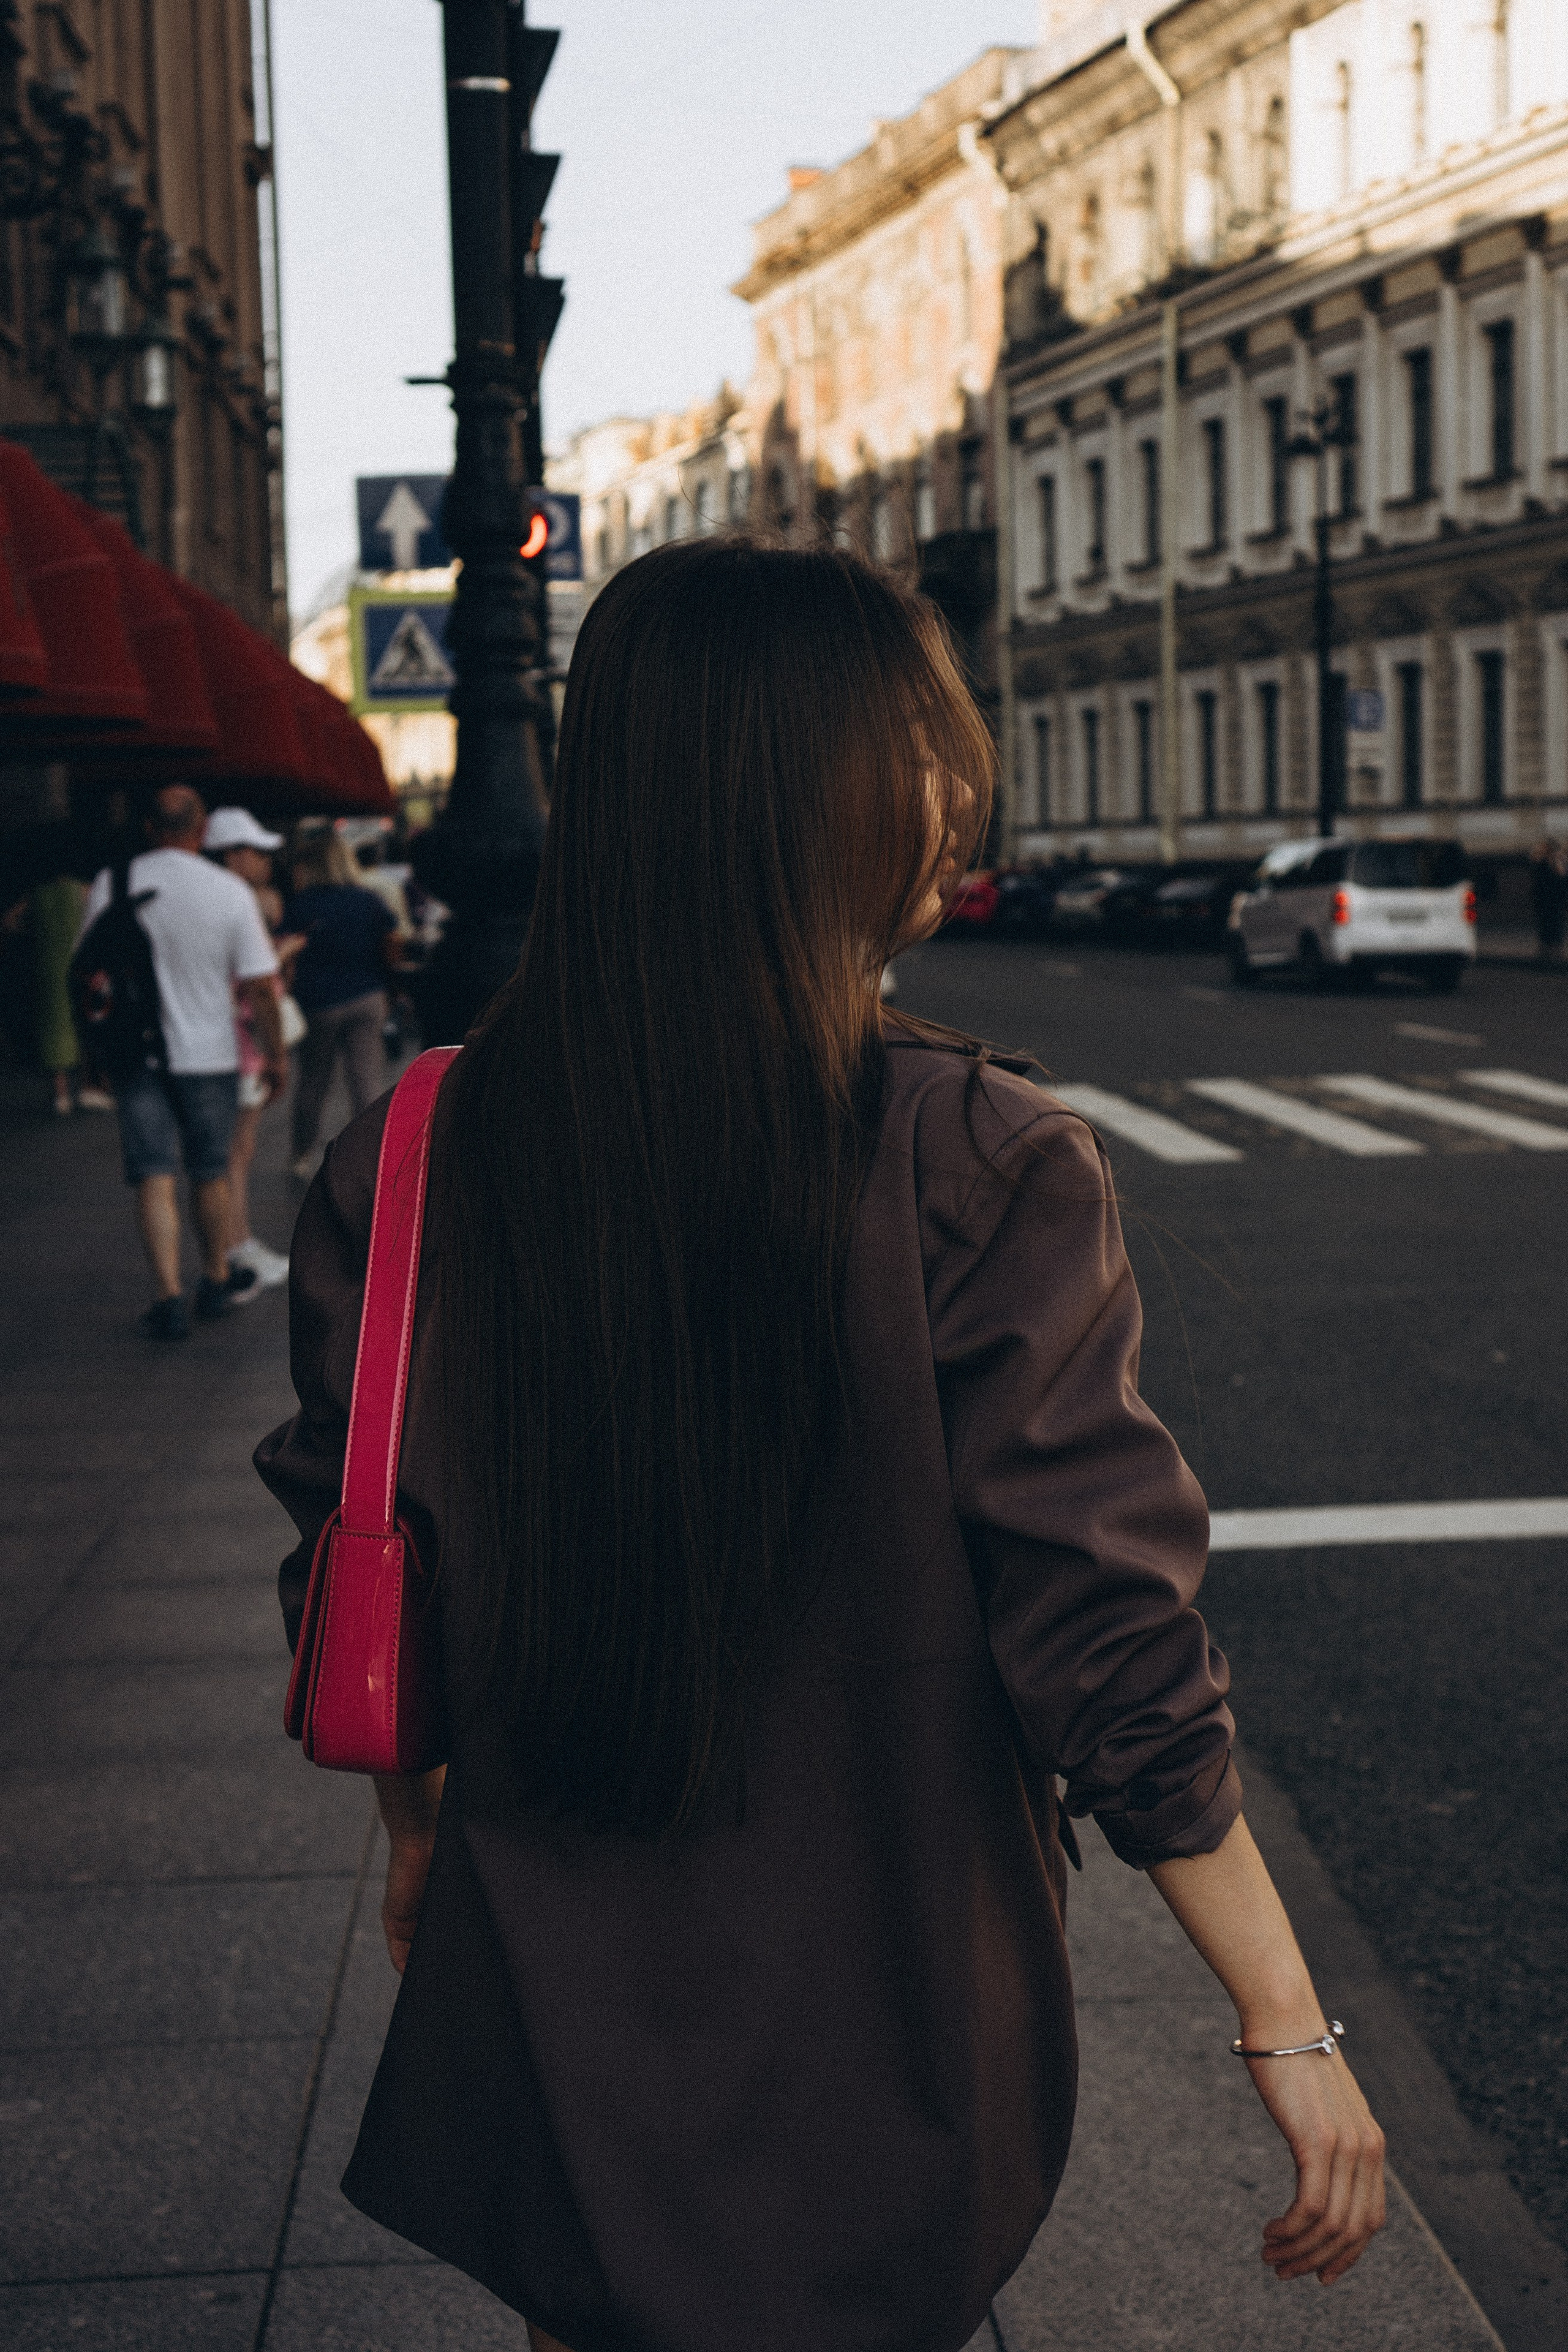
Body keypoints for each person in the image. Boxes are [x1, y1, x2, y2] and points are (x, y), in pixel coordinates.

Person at [257, 543, 1384, 2352]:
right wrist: (1283, 2016)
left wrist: (413, 1827)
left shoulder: (420, 1148)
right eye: (918, 747)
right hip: (884, 1987)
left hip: (550, 1963)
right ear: (799, 787)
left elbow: (370, 1546)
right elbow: (1101, 1628)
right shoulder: (970, 1149)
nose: (960, 789)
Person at [83, 785, 286, 1341]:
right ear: (202, 831)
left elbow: (86, 974)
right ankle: (216, 1278)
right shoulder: (228, 892)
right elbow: (260, 988)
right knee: (210, 1171)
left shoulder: (113, 882)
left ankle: (168, 1295)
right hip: (211, 1056)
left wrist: (91, 1052)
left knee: (152, 1174)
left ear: (149, 828)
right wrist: (275, 1055)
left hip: (136, 1054)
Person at [203, 807, 301, 1293]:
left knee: (234, 1152)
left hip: (222, 1041)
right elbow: (252, 986)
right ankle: (234, 1247)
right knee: (234, 1154)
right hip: (241, 1044)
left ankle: (236, 1243)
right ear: (235, 854)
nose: (266, 861)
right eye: (258, 852)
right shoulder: (235, 900)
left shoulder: (211, 898)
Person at [284, 829, 398, 1180]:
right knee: (366, 1081)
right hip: (368, 997)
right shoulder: (369, 900)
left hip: (320, 1004)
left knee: (314, 1082)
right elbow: (392, 944)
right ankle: (374, 1159)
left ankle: (302, 1155)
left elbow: (285, 953)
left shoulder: (302, 905)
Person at [1528, 838, 1567, 962]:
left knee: (1555, 924)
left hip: (1555, 899)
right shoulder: (1541, 862)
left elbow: (1561, 876)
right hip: (1545, 899)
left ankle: (1555, 949)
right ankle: (1546, 949)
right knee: (1545, 925)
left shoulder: (1557, 860)